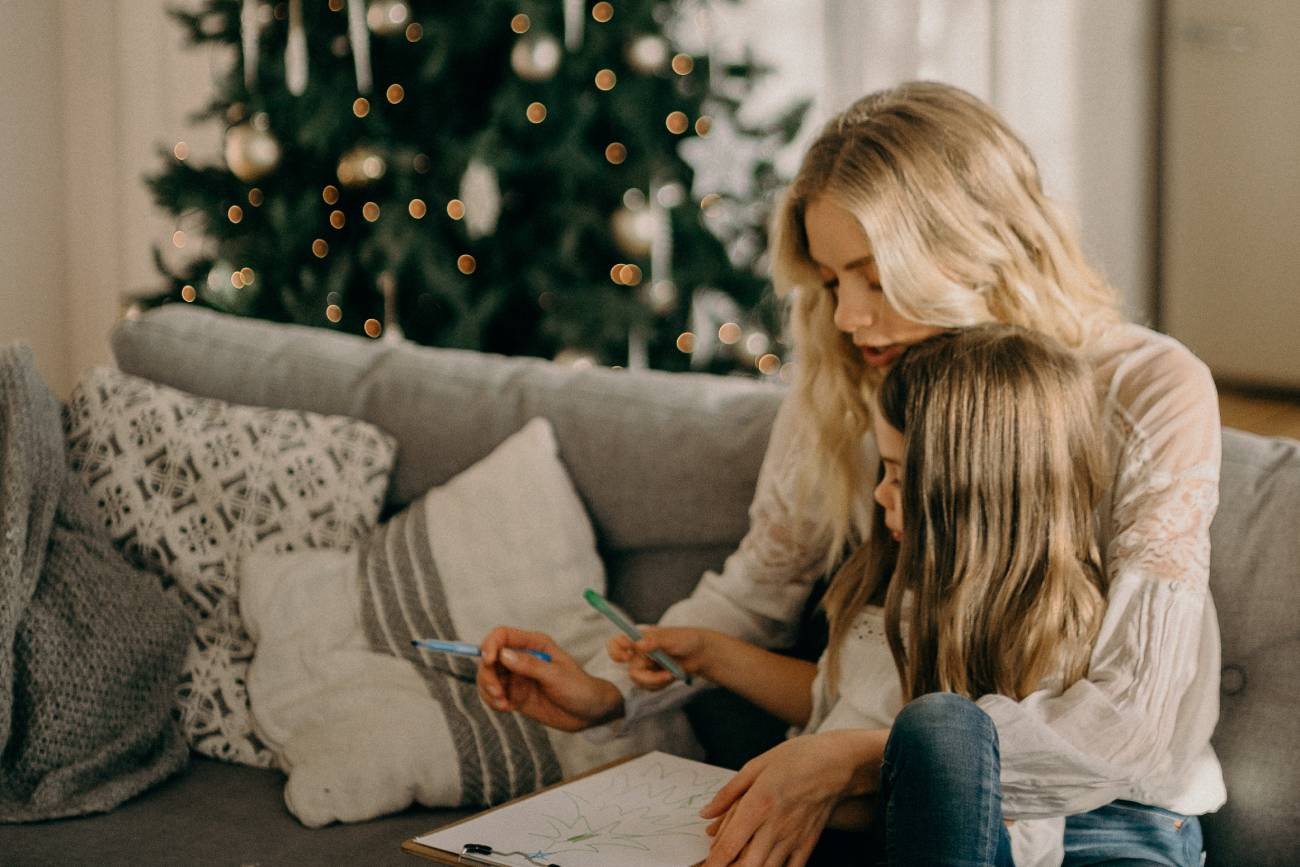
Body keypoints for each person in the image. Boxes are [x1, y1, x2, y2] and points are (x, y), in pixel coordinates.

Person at [478, 81, 1224, 866]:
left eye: (873, 276)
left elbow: (1130, 721)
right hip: (869, 801)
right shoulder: (854, 380)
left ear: (974, 248)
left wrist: (862, 758)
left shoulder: (1147, 391)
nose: (846, 317)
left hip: (1111, 813)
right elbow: (757, 591)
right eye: (833, 282)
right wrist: (610, 691)